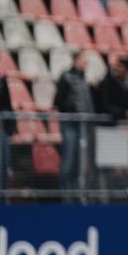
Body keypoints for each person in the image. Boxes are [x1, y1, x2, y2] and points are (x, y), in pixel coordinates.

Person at [54, 51, 95, 191]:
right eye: (84, 61)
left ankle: (76, 193)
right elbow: (58, 102)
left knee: (79, 162)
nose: (86, 64)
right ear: (75, 60)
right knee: (68, 160)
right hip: (69, 124)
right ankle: (66, 195)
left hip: (82, 126)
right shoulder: (66, 77)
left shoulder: (84, 79)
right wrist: (74, 108)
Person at [94, 55, 128, 122]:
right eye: (117, 66)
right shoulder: (106, 83)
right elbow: (104, 106)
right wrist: (124, 113)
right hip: (104, 122)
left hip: (119, 123)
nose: (116, 68)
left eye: (121, 66)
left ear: (127, 70)